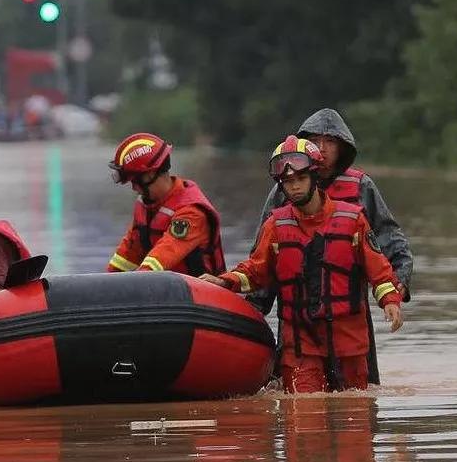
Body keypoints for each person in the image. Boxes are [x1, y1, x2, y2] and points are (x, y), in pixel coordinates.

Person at [201, 136, 404, 393]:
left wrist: (391, 301)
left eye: (300, 179)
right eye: (288, 182)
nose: (294, 187)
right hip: (300, 344)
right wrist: (223, 280)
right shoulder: (275, 226)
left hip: (349, 343)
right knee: (304, 421)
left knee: (355, 422)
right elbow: (256, 270)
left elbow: (378, 268)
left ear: (315, 177)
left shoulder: (353, 220)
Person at [257, 108, 413, 299]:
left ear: (342, 148)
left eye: (330, 141)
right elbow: (262, 257)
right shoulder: (286, 188)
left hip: (348, 303)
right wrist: (257, 306)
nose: (321, 148)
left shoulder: (361, 186)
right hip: (297, 304)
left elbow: (389, 237)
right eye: (314, 141)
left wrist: (399, 281)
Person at [106, 132, 225, 276]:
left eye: (136, 181)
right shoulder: (145, 206)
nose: (134, 188)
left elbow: (161, 258)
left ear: (150, 174)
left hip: (201, 295)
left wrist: (135, 283)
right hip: (166, 292)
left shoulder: (191, 212)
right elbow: (127, 254)